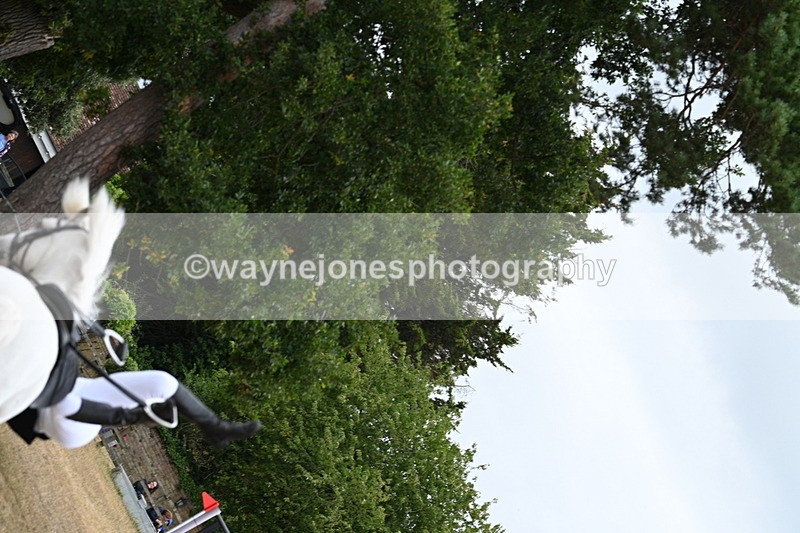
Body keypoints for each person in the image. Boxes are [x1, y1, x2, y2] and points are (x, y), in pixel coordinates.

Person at [8, 369, 262, 450]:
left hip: (76, 407)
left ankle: (214, 426)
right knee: (63, 398)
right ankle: (138, 417)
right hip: (62, 409)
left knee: (162, 382)